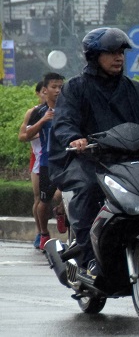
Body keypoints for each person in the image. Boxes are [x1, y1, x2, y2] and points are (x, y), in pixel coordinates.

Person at [49, 27, 139, 277]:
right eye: (111, 52)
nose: (119, 57)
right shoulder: (76, 88)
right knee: (88, 189)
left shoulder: (135, 88)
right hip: (91, 160)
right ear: (94, 56)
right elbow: (65, 121)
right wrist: (74, 138)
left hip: (133, 159)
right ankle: (89, 259)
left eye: (121, 51)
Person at [22, 73, 66, 250]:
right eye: (54, 87)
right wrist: (43, 121)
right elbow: (24, 136)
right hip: (48, 162)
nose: (58, 91)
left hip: (68, 160)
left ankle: (62, 212)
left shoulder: (69, 109)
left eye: (61, 87)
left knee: (68, 194)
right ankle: (44, 233)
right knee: (44, 200)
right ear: (44, 90)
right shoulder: (37, 112)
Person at [18, 81, 46, 248]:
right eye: (43, 91)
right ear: (38, 93)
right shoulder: (33, 112)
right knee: (38, 197)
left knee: (59, 196)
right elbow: (22, 136)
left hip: (58, 157)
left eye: (59, 88)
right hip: (38, 158)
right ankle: (40, 232)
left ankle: (60, 215)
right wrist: (36, 133)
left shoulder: (64, 110)